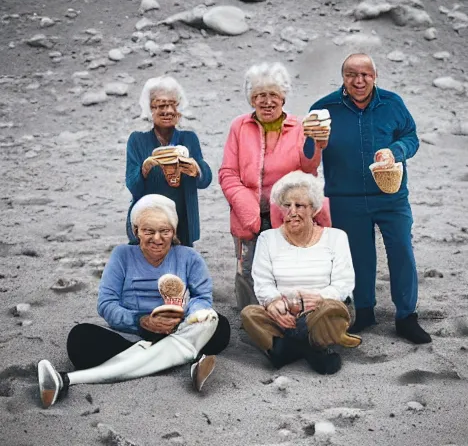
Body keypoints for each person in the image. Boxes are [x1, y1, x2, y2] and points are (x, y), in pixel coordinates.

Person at [37, 195, 230, 408]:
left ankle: (67, 379)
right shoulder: (122, 255)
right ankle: (186, 358)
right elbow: (107, 304)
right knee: (80, 339)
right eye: (149, 231)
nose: (157, 238)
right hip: (133, 333)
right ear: (136, 230)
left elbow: (202, 298)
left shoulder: (189, 257)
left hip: (179, 328)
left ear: (173, 232)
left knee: (219, 325)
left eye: (165, 231)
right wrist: (141, 320)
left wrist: (189, 316)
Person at [304, 52, 431, 344]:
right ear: (343, 77)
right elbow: (308, 158)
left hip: (391, 195)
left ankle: (406, 316)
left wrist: (395, 151)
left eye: (365, 74)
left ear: (375, 76)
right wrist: (315, 142)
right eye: (351, 74)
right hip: (345, 198)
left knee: (401, 251)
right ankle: (364, 311)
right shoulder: (323, 108)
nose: (358, 80)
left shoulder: (392, 103)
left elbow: (411, 138)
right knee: (358, 257)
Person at [219, 62, 329, 310]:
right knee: (247, 267)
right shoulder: (239, 126)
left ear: (283, 96)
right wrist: (244, 205)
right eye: (259, 95)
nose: (266, 101)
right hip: (248, 210)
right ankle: (251, 315)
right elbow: (227, 173)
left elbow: (309, 168)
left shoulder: (300, 126)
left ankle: (286, 311)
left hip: (287, 210)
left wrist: (317, 144)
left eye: (272, 95)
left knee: (285, 266)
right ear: (251, 99)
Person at [241, 171, 361, 375]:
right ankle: (313, 347)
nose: (292, 211)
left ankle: (286, 348)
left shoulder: (336, 237)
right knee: (249, 314)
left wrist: (320, 298)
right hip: (285, 312)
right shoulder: (267, 239)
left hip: (321, 309)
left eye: (300, 206)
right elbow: (262, 281)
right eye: (287, 205)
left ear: (313, 209)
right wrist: (273, 303)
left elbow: (344, 283)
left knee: (332, 310)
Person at [126, 76, 212, 247]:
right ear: (150, 108)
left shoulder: (189, 138)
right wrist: (145, 169)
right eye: (161, 105)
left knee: (179, 267)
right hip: (148, 218)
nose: (169, 111)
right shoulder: (137, 140)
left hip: (183, 218)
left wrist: (196, 170)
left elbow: (205, 180)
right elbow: (132, 185)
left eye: (173, 104)